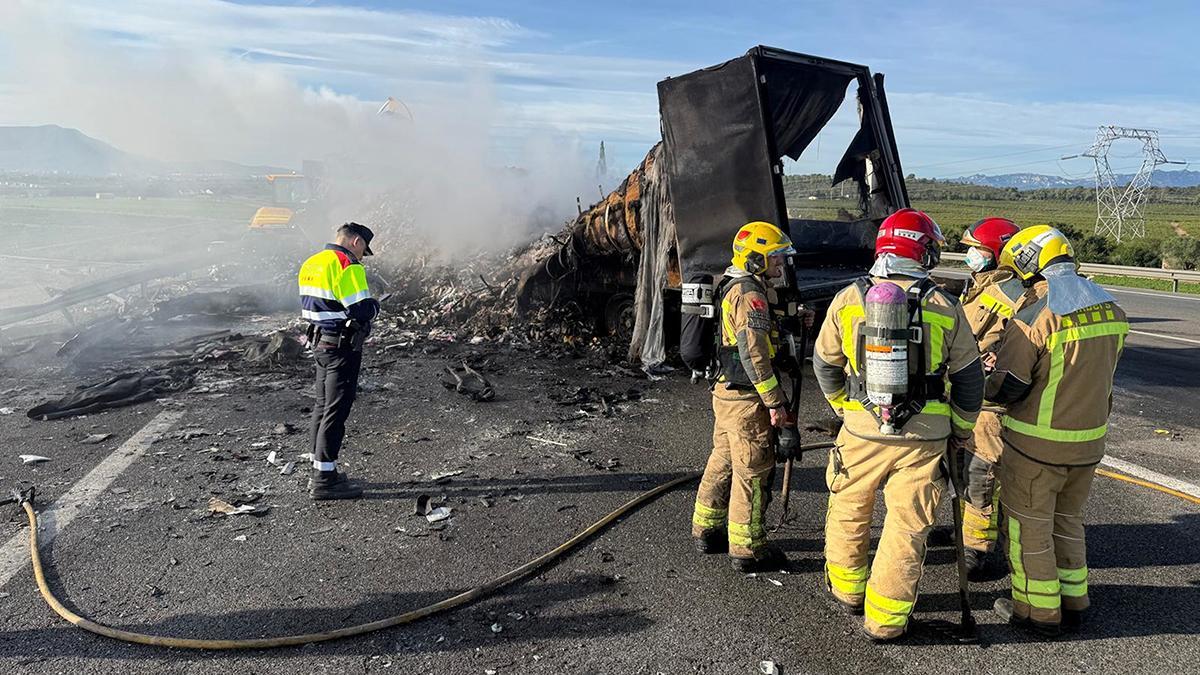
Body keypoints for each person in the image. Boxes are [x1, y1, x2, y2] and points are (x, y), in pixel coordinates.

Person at [812, 208, 984, 642]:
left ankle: (848, 591)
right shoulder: (945, 305)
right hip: (925, 439)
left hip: (860, 431)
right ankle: (886, 621)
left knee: (850, 507)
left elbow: (825, 365)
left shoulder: (849, 298)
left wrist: (844, 409)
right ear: (922, 252)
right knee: (907, 526)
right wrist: (962, 429)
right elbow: (969, 379)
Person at [986, 225, 1128, 637]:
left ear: (1029, 263)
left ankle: (1038, 612)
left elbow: (1011, 386)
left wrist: (985, 381)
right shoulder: (1112, 309)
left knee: (1027, 528)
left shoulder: (1037, 314)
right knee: (1067, 520)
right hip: (1089, 443)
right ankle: (1074, 600)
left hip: (1037, 446)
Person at [691, 221, 805, 574]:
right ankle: (748, 548)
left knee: (724, 459)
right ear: (756, 259)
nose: (780, 263)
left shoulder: (733, 284)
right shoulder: (749, 294)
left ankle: (707, 529)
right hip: (746, 399)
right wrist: (775, 403)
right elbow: (754, 354)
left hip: (726, 392)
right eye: (775, 257)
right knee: (753, 470)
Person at [956, 217, 1032, 579]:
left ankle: (977, 547)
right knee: (961, 467)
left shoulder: (1014, 293)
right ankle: (962, 531)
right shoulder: (979, 286)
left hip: (991, 404)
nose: (969, 255)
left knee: (981, 473)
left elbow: (1021, 343)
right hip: (968, 396)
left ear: (997, 253)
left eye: (976, 249)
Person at [297, 222, 380, 500]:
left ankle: (321, 468)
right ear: (356, 242)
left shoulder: (312, 262)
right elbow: (361, 309)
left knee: (323, 406)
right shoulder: (347, 265)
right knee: (336, 411)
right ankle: (324, 481)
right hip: (341, 347)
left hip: (320, 343)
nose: (362, 256)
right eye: (363, 250)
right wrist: (375, 306)